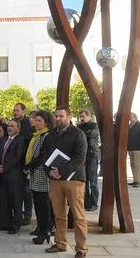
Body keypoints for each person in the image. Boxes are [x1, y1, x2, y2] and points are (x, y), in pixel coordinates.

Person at [44, 107, 88, 257]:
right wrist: (49, 171)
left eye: (61, 116)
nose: (57, 118)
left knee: (78, 216)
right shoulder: (50, 135)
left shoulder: (78, 134)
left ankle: (81, 249)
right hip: (55, 181)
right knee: (59, 215)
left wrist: (61, 171)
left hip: (74, 180)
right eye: (56, 116)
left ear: (69, 117)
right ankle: (60, 243)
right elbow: (45, 156)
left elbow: (80, 157)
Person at [25, 111, 53, 244]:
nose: (35, 123)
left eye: (39, 121)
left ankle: (45, 231)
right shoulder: (37, 136)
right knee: (38, 202)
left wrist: (30, 165)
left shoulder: (47, 136)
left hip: (42, 173)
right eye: (35, 120)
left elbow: (43, 156)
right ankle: (40, 228)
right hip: (35, 172)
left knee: (43, 204)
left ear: (46, 122)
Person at [0, 119, 25, 234]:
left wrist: (5, 167)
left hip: (14, 176)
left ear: (18, 128)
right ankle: (5, 223)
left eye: (12, 126)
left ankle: (16, 224)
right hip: (2, 175)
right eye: (8, 126)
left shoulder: (20, 140)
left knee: (16, 200)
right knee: (5, 200)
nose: (9, 128)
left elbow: (18, 157)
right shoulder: (4, 140)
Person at [13, 103, 33, 226]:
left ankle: (28, 215)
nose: (15, 112)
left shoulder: (26, 123)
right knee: (18, 191)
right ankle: (18, 214)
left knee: (26, 191)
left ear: (23, 111)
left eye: (18, 110)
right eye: (14, 110)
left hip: (25, 161)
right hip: (16, 162)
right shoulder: (13, 122)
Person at [77, 110, 100, 210]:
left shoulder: (94, 126)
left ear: (89, 116)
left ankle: (94, 203)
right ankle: (86, 202)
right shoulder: (80, 126)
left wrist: (82, 134)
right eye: (80, 117)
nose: (81, 118)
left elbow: (90, 137)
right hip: (83, 156)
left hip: (92, 155)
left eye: (83, 116)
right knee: (84, 181)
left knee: (93, 181)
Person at [127, 113, 140, 187]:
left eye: (131, 117)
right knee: (132, 165)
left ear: (135, 117)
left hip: (138, 149)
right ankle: (135, 180)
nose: (129, 118)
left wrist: (137, 144)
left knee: (137, 165)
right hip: (131, 148)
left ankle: (138, 181)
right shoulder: (129, 126)